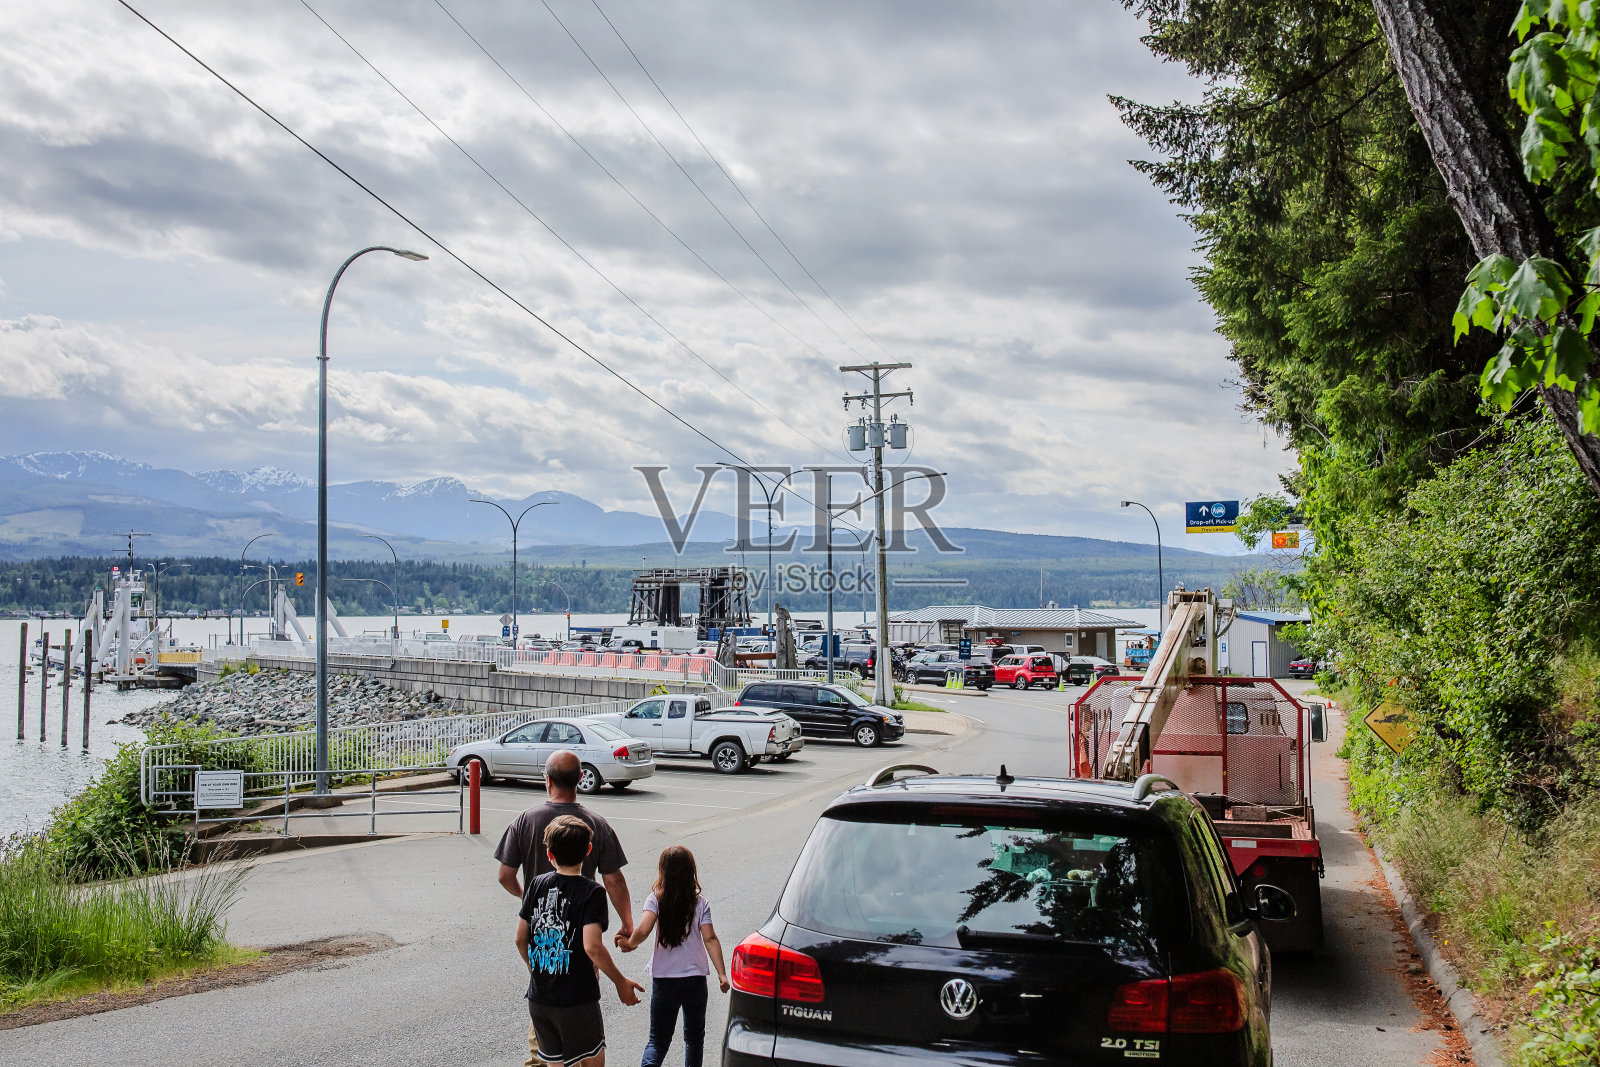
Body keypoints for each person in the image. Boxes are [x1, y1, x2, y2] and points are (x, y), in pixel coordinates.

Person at [517, 815, 644, 1067]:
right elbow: (592, 946)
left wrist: (537, 970)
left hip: (540, 998)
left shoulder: (535, 885)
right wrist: (620, 982)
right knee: (592, 1060)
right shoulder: (592, 892)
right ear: (588, 850)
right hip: (577, 999)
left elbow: (521, 938)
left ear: (549, 854)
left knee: (555, 1062)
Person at [496, 749, 635, 942]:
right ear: (579, 777)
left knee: (541, 970)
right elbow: (614, 880)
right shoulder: (597, 824)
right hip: (584, 929)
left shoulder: (524, 822)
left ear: (548, 780)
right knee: (585, 970)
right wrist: (627, 924)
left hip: (540, 929)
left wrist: (527, 898)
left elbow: (505, 876)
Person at [614, 845, 729, 1067]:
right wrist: (722, 974)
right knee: (694, 1040)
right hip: (695, 981)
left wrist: (629, 943)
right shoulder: (700, 903)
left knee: (658, 1041)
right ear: (691, 872)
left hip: (665, 981)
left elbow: (643, 930)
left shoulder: (656, 899)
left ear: (663, 871)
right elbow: (711, 938)